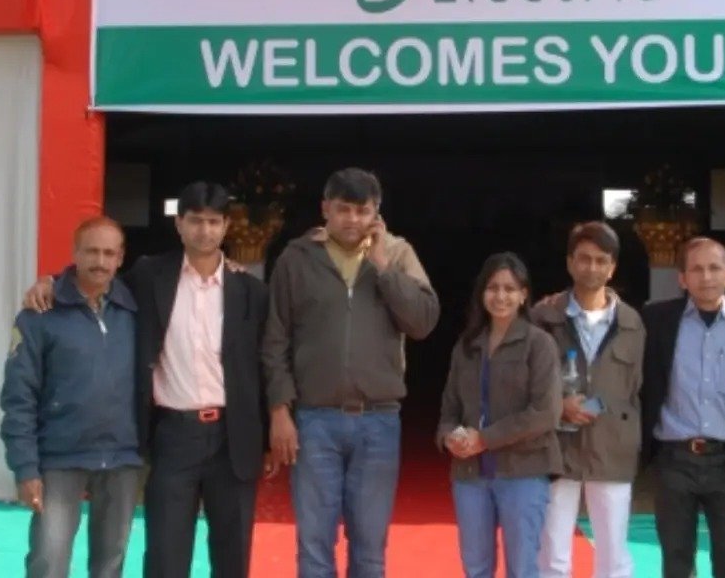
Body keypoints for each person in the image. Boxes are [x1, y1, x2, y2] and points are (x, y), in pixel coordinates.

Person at [24, 183, 272, 578]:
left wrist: (272, 430)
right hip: (174, 435)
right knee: (165, 556)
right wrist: (51, 282)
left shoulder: (251, 291)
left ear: (227, 226)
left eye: (214, 222)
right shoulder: (150, 275)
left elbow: (266, 363)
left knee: (232, 556)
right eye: (195, 221)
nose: (205, 231)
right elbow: (96, 278)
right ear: (179, 224)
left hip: (233, 437)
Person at [262, 167, 440, 578]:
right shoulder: (297, 258)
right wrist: (279, 409)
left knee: (370, 550)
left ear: (377, 213)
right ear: (325, 208)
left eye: (363, 211)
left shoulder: (398, 254)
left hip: (378, 420)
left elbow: (423, 321)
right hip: (314, 421)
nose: (352, 220)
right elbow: (274, 340)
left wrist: (383, 269)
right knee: (314, 546)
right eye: (343, 209)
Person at [1, 216, 142, 578]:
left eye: (109, 253)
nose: (100, 261)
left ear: (121, 258)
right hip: (59, 457)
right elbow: (18, 395)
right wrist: (25, 466)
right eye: (91, 251)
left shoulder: (136, 310)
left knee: (110, 564)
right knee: (48, 562)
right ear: (74, 253)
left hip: (122, 456)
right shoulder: (39, 314)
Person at [640, 236, 725, 578]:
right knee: (677, 559)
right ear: (682, 278)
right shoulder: (656, 321)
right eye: (696, 269)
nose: (706, 277)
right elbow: (609, 319)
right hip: (673, 459)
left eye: (714, 268)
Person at [439, 252, 563, 578]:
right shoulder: (466, 346)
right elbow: (449, 410)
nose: (501, 296)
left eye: (510, 289)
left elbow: (545, 413)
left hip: (524, 473)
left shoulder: (539, 344)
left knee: (522, 569)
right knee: (475, 567)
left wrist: (485, 439)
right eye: (493, 288)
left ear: (524, 295)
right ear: (482, 293)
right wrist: (449, 437)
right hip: (470, 475)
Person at [532, 221, 645, 578]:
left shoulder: (632, 323)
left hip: (612, 447)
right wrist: (559, 405)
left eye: (601, 260)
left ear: (612, 268)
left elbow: (637, 387)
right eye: (584, 258)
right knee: (552, 557)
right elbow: (526, 380)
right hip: (555, 447)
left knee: (613, 558)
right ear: (570, 262)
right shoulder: (543, 317)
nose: (591, 267)